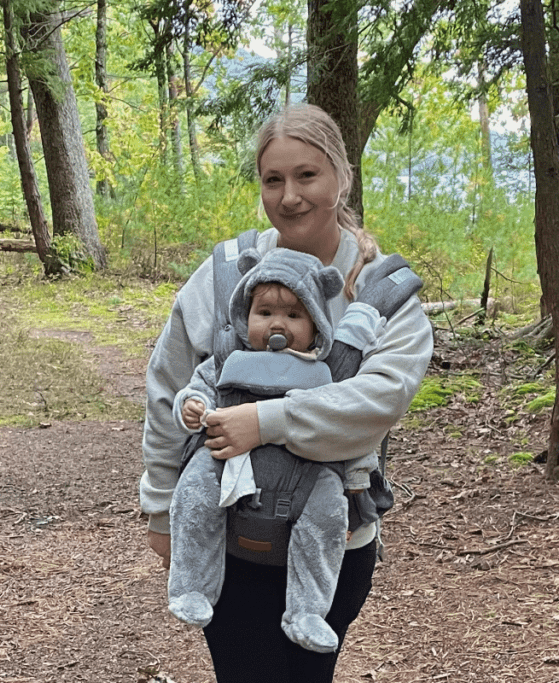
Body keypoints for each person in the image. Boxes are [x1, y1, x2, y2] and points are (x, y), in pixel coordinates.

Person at [140, 103, 434, 682]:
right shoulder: (228, 274)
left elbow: (378, 400)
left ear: (341, 177)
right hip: (228, 535)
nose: (289, 196)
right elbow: (169, 383)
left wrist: (264, 422)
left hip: (333, 542)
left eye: (307, 175)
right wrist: (160, 505)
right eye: (273, 179)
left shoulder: (382, 293)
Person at [167, 247, 382, 656]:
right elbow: (197, 388)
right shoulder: (229, 357)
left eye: (294, 316)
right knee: (194, 491)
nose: (277, 324)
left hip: (306, 470)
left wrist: (356, 489)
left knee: (328, 515)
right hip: (228, 460)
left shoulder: (327, 373)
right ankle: (192, 585)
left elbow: (349, 425)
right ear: (246, 317)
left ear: (317, 324)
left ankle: (307, 610)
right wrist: (191, 406)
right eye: (265, 313)